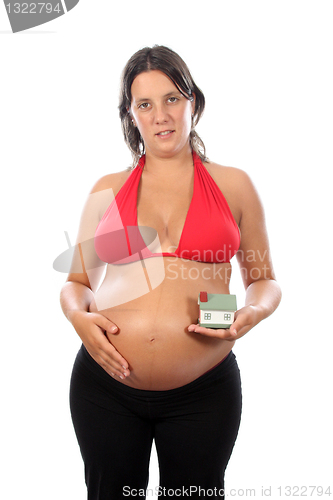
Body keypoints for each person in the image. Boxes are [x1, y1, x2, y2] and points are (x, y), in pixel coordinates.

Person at [60, 45, 281, 499]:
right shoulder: (108, 188)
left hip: (204, 392)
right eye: (145, 104)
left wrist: (252, 313)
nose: (161, 115)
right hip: (105, 388)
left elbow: (263, 277)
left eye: (172, 99)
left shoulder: (233, 184)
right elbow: (76, 283)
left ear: (193, 103)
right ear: (131, 115)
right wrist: (79, 319)